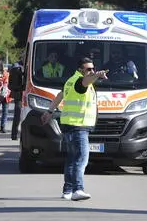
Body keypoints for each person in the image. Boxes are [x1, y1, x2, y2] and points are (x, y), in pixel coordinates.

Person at [41, 57, 107, 201]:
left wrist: (49, 111)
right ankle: (78, 189)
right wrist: (97, 75)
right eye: (88, 69)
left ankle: (67, 191)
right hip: (78, 126)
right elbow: (86, 81)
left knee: (71, 159)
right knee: (82, 158)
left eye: (93, 69)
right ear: (80, 70)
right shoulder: (79, 81)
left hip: (69, 125)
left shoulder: (70, 81)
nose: (91, 71)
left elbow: (60, 96)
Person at [9, 61, 25, 140]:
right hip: (20, 94)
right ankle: (14, 134)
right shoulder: (17, 68)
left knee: (17, 115)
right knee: (18, 115)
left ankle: (14, 134)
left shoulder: (16, 67)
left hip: (19, 95)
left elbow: (10, 85)